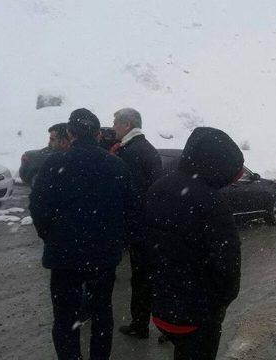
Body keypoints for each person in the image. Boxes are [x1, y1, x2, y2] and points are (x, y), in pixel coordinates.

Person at [30, 108, 132, 360]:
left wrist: (50, 236)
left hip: (64, 256)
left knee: (65, 317)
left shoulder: (54, 163)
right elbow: (130, 209)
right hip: (103, 256)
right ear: (98, 134)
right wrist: (117, 240)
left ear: (71, 134)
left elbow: (38, 206)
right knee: (101, 314)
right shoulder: (116, 165)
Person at [145, 127, 244, 360]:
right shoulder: (212, 203)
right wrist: (218, 305)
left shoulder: (158, 187)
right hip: (197, 315)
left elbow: (144, 247)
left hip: (161, 308)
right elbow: (228, 266)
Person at [111, 108, 163, 339]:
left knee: (142, 278)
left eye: (116, 123)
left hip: (140, 227)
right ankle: (162, 326)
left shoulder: (132, 152)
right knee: (150, 277)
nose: (113, 127)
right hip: (150, 224)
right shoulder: (146, 147)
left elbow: (130, 193)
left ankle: (140, 325)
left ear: (127, 125)